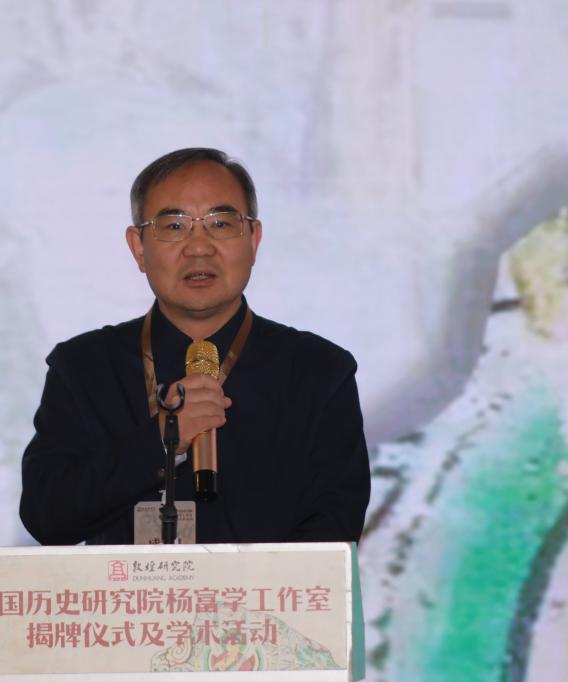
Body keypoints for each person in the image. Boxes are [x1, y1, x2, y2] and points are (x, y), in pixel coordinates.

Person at [19, 148, 370, 545]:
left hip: (268, 590)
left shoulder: (319, 372)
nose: (199, 247)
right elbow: (47, 517)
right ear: (138, 248)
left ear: (254, 240)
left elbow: (333, 533)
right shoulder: (85, 368)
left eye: (220, 224)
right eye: (174, 226)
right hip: (128, 589)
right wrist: (162, 441)